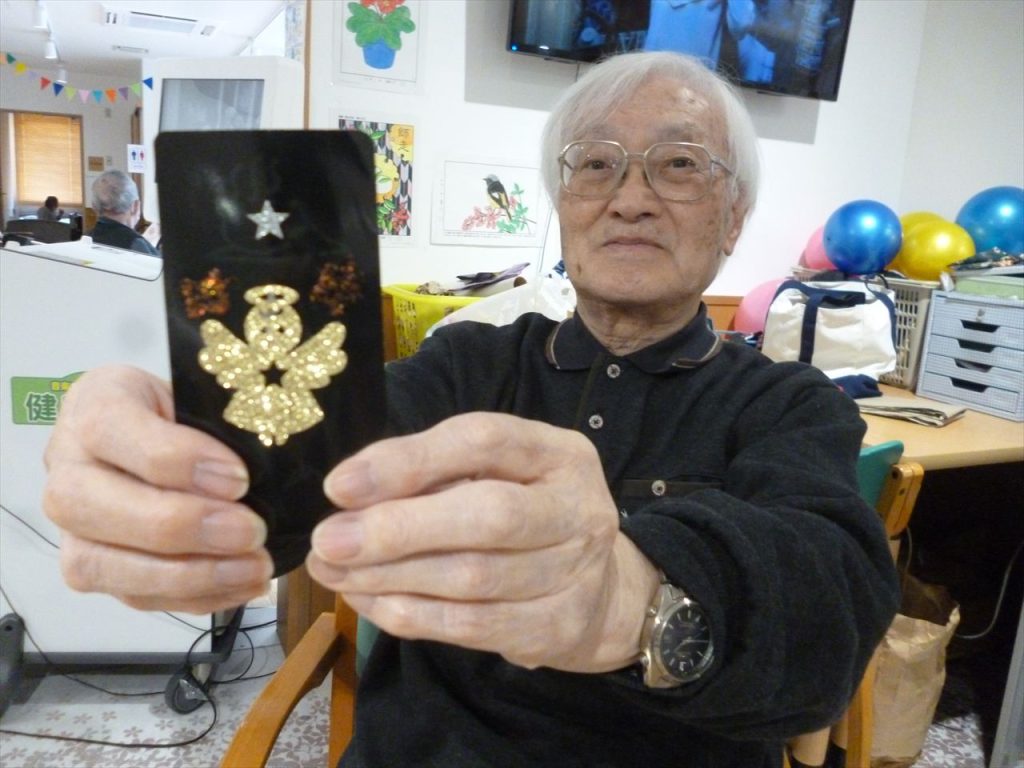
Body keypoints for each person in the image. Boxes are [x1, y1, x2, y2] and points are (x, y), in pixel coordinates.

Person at [42, 52, 899, 767]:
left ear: (733, 218)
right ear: (562, 204)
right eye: (595, 163)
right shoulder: (464, 364)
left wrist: (628, 601)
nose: (630, 196)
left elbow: (829, 620)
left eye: (678, 164)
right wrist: (180, 467)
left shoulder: (789, 404)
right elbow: (312, 464)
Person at [87, 170, 160, 256]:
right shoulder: (135, 244)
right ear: (135, 206)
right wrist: (144, 244)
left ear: (94, 207)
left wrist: (144, 241)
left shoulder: (86, 240)